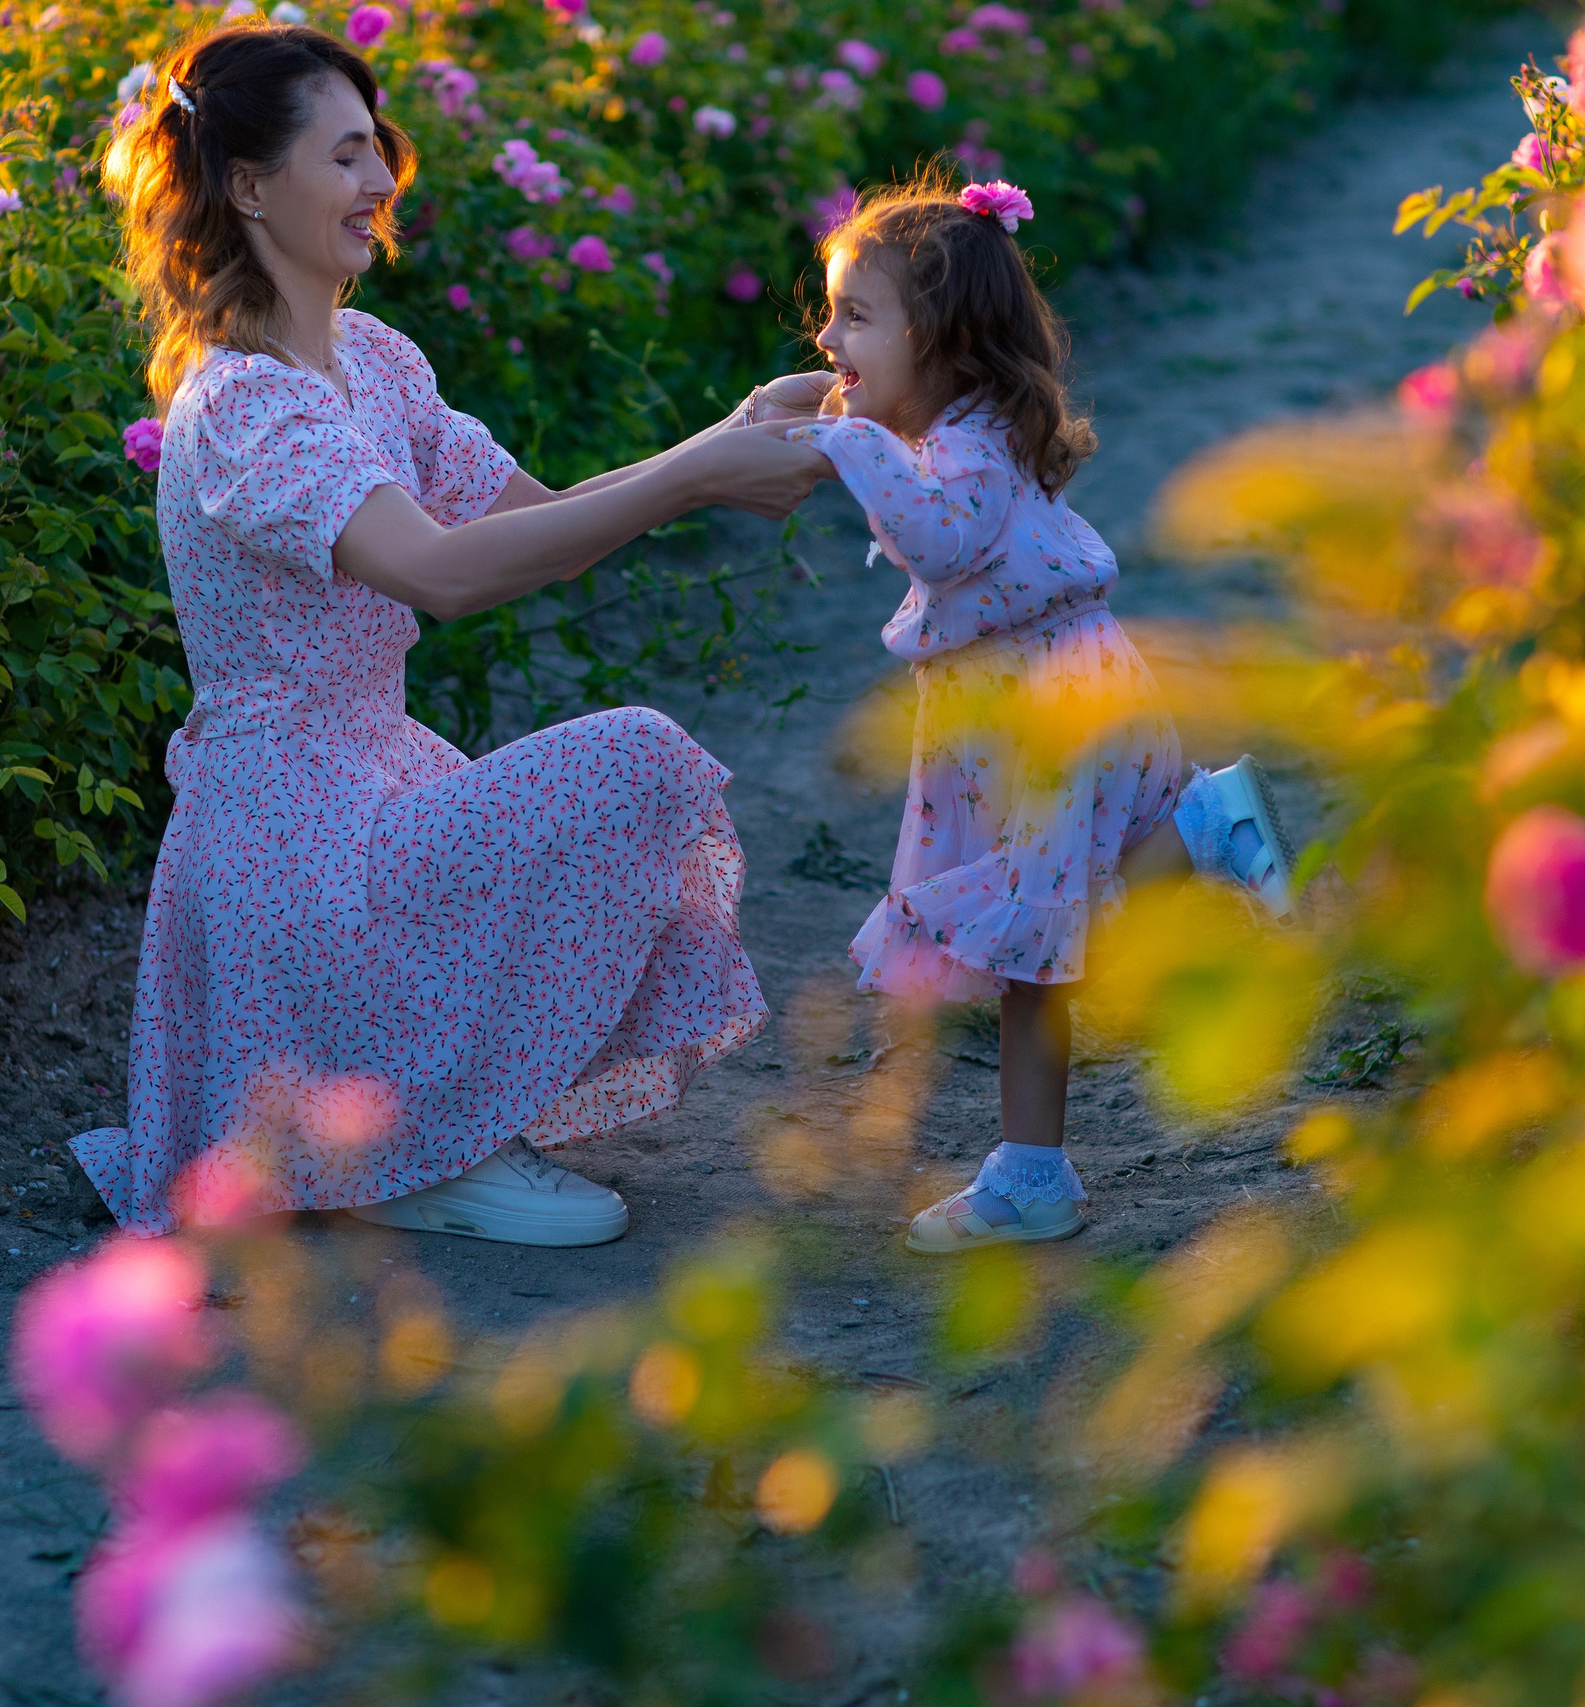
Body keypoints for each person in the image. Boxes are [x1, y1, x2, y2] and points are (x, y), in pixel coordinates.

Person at [69, 23, 832, 1247]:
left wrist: (729, 429)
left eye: (379, 151)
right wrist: (696, 477)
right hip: (287, 847)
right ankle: (415, 1151)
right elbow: (439, 574)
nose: (382, 184)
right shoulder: (248, 400)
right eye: (348, 155)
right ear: (251, 186)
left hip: (368, 787)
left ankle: (429, 1130)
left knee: (621, 773)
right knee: (633, 755)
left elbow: (535, 522)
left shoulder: (370, 359)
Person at [783, 170, 1297, 1255]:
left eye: (855, 316)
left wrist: (845, 443)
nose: (826, 338)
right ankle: (1200, 835)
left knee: (1035, 941)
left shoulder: (963, 448)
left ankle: (1033, 1175)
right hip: (1046, 696)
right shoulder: (971, 427)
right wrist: (843, 428)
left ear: (946, 338)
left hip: (1043, 716)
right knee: (1051, 920)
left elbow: (937, 540)